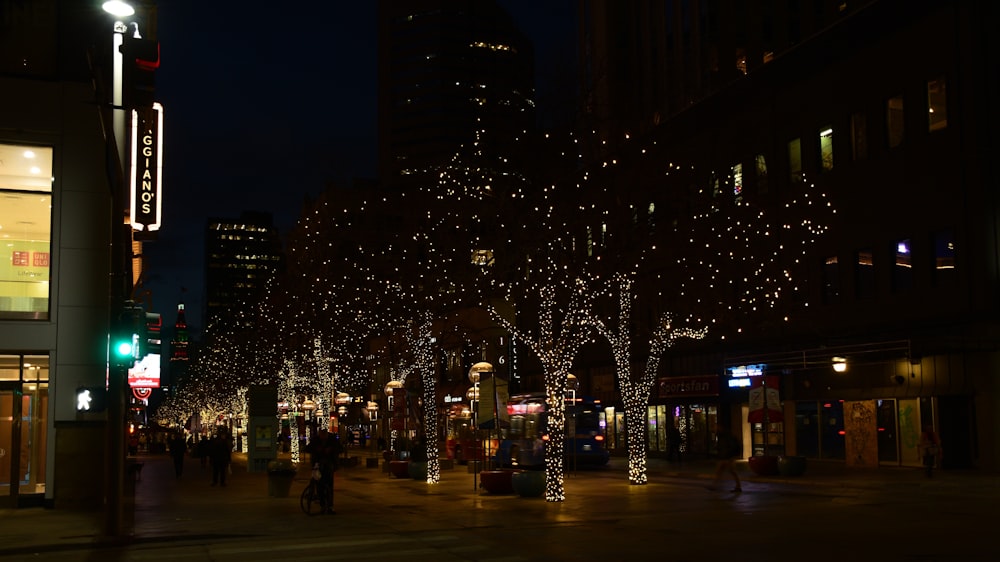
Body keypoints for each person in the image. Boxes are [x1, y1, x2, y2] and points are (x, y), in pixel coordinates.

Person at [308, 426, 343, 514]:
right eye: (321, 435)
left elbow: (340, 448)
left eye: (324, 435)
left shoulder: (332, 439)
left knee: (329, 485)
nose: (322, 437)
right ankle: (323, 505)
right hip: (318, 465)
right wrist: (317, 450)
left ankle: (330, 506)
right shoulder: (315, 440)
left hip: (329, 465)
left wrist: (331, 450)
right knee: (319, 486)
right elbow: (308, 448)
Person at [709, 423, 742, 493]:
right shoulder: (721, 435)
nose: (714, 428)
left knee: (731, 471)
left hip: (728, 457)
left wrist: (728, 453)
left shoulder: (726, 435)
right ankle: (714, 485)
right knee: (720, 471)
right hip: (723, 456)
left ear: (720, 427)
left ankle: (738, 486)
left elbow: (730, 445)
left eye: (716, 427)